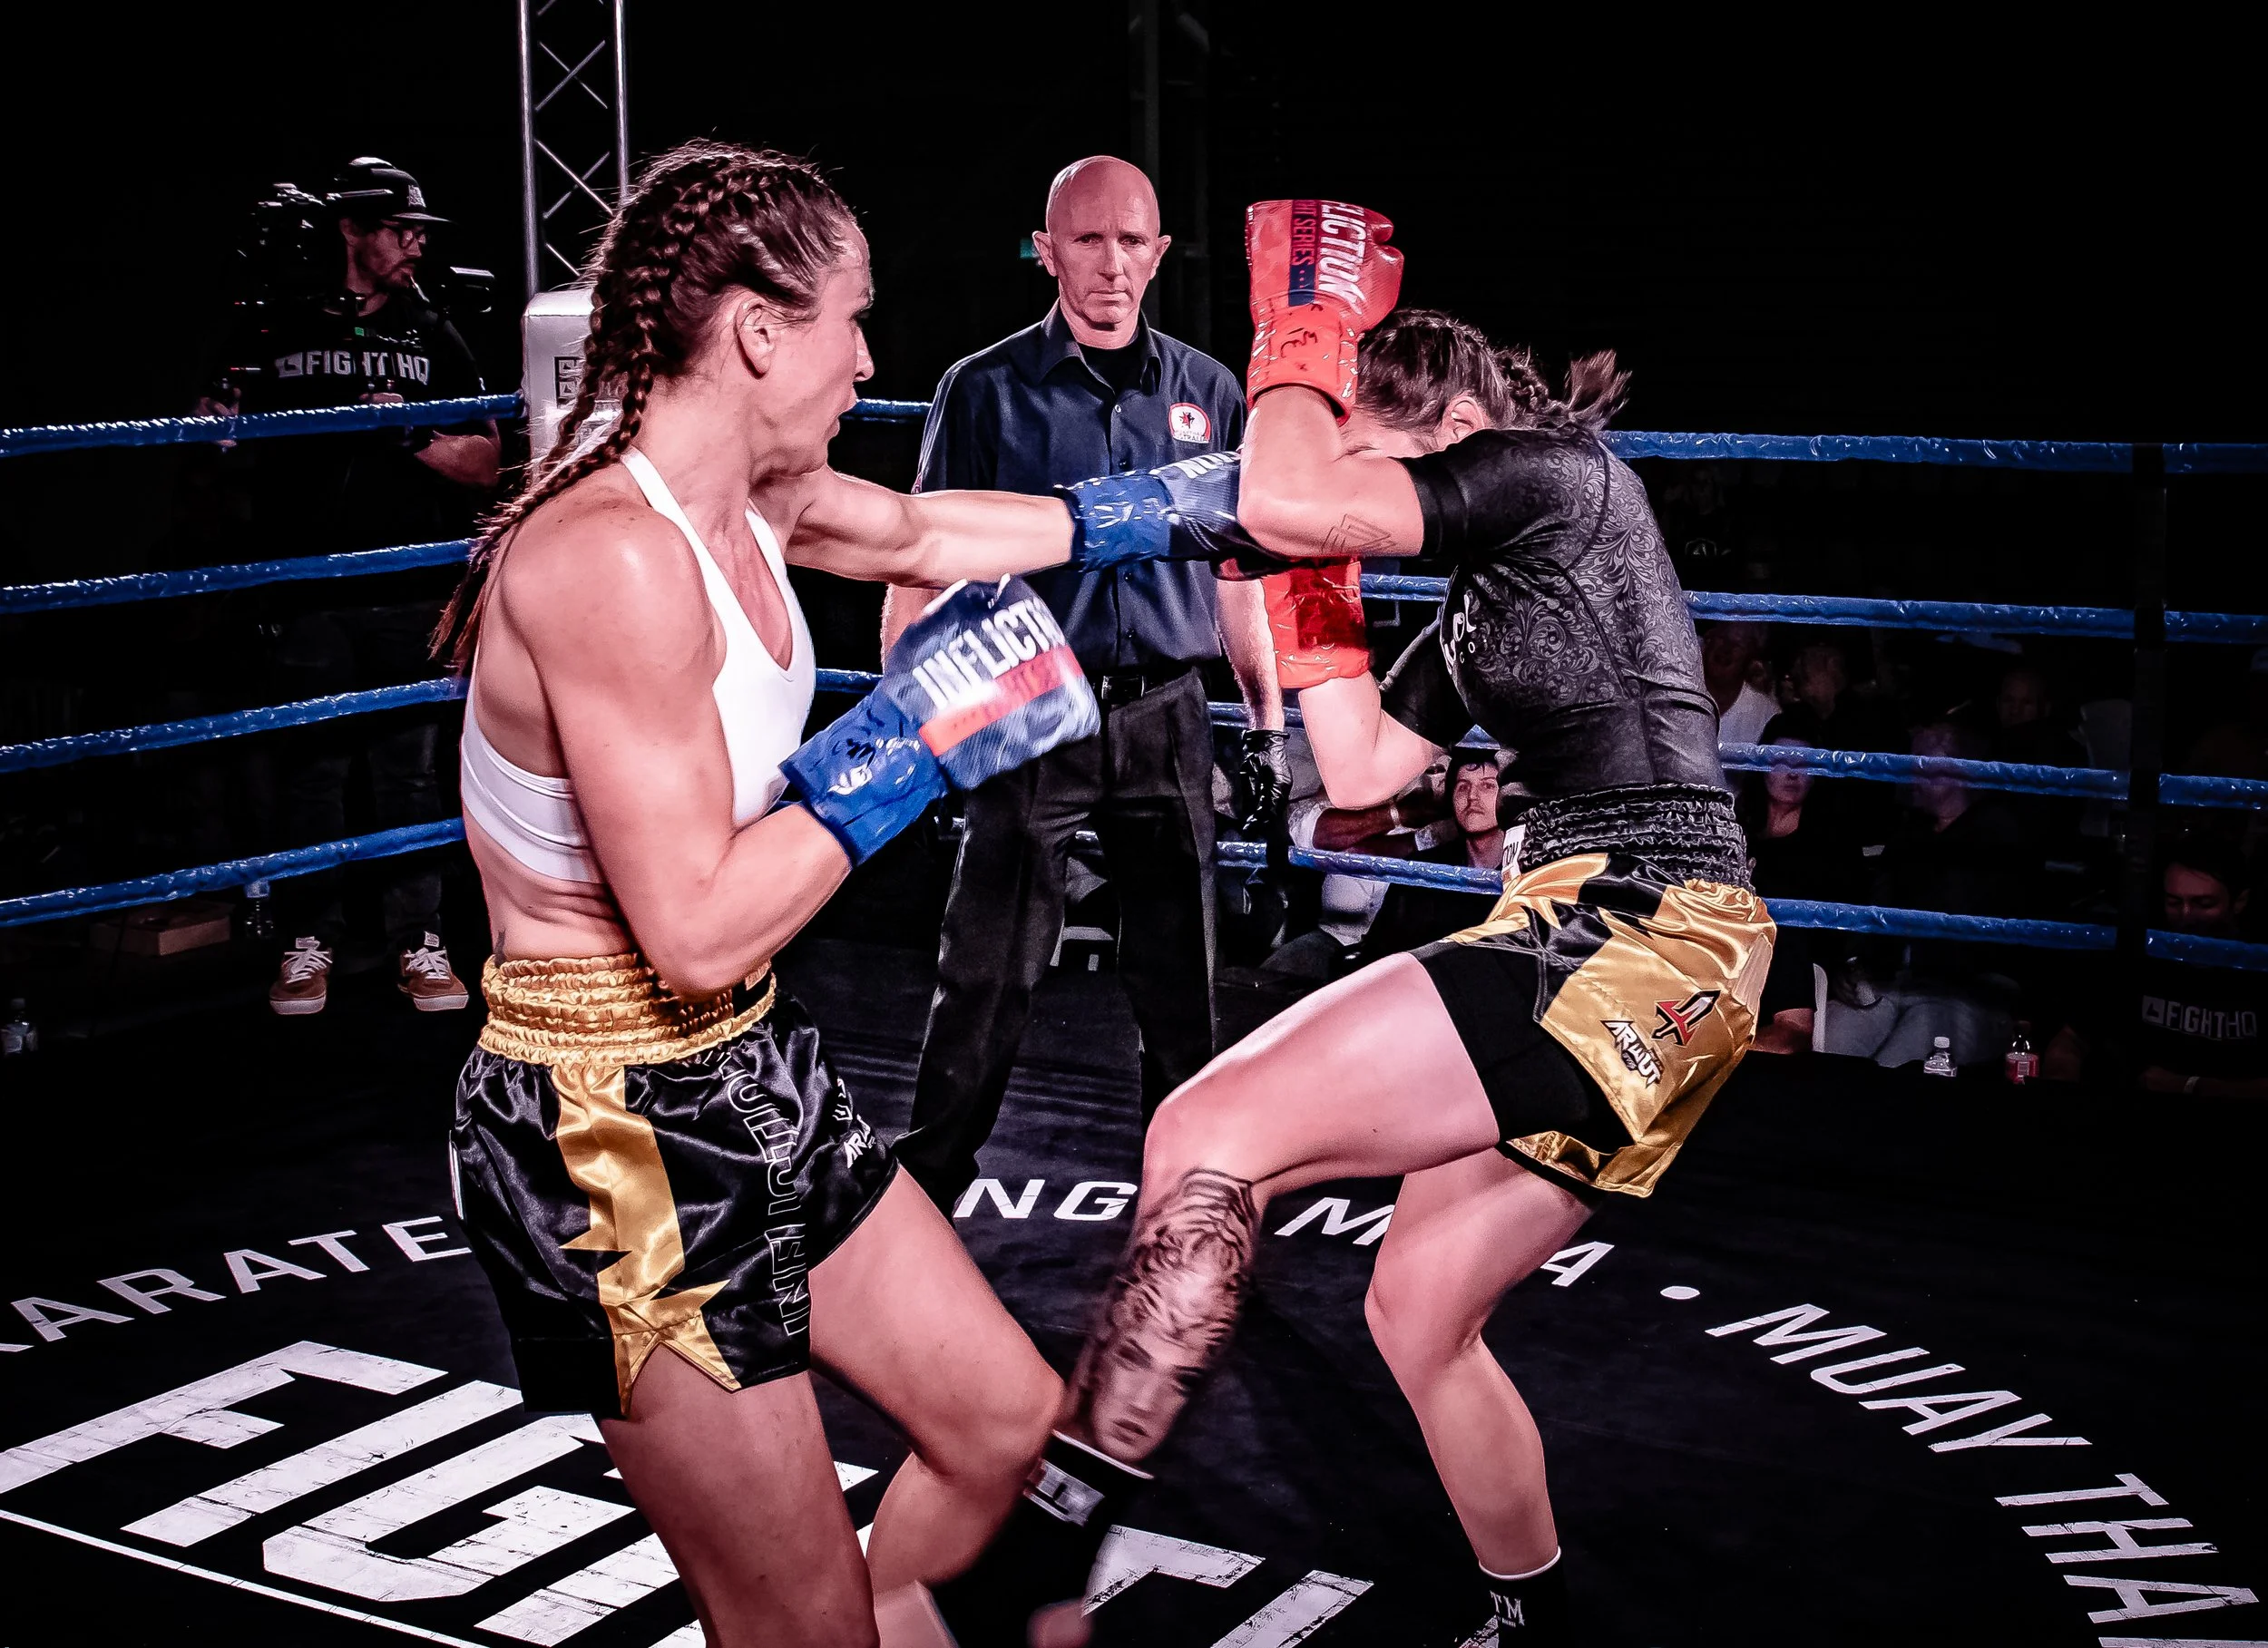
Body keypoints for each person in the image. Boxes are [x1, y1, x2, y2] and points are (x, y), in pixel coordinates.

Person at [435, 141, 1252, 1648]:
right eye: (852, 320)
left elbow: (934, 532)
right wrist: (914, 735)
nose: (870, 359)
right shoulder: (612, 557)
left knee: (1007, 1431)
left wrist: (1183, 507)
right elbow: (694, 928)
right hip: (608, 1117)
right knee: (800, 1618)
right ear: (759, 331)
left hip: (745, 1060)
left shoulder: (756, 495)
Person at [939, 232, 1773, 1645]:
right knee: (1418, 1312)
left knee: (1207, 1127)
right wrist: (1307, 585)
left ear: (1454, 429)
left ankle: (1044, 1553)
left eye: (1377, 470)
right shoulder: (1487, 601)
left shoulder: (1558, 479)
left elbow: (1293, 492)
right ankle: (1534, 1620)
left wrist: (1303, 338)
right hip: (1650, 954)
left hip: (1642, 928)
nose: (1366, 510)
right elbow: (1365, 771)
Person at [883, 157, 1281, 1208]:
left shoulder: (1209, 391)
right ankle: (922, 1193)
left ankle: (1186, 1198)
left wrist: (1267, 724)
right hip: (1025, 706)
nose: (1111, 264)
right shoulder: (982, 389)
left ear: (1159, 252)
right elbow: (918, 559)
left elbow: (1238, 575)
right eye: (1089, 240)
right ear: (1046, 249)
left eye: (1131, 241)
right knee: (986, 971)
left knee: (1185, 984)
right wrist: (913, 728)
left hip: (1166, 709)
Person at [200, 157, 501, 1017]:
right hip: (304, 588)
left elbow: (487, 462)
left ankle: (419, 938)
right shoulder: (273, 329)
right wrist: (222, 431)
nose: (416, 246)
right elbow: (214, 445)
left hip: (406, 586)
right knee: (313, 771)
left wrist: (412, 437)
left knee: (409, 770)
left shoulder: (431, 333)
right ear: (351, 231)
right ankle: (311, 940)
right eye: (400, 230)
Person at [2043, 841, 2265, 1097]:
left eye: (2204, 904)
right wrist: (2060, 1084)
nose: (2186, 915)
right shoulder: (2142, 955)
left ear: (2239, 902)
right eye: (2174, 902)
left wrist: (2189, 1086)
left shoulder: (2258, 966)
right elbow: (2072, 1038)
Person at [1357, 748, 1510, 962]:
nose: (1472, 796)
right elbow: (1380, 951)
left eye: (1487, 786)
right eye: (1462, 786)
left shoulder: (1530, 875)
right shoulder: (1421, 871)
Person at [1702, 619, 1778, 747]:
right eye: (1722, 637)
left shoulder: (1767, 715)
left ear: (1751, 657)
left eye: (1738, 644)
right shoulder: (1677, 690)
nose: (1726, 649)